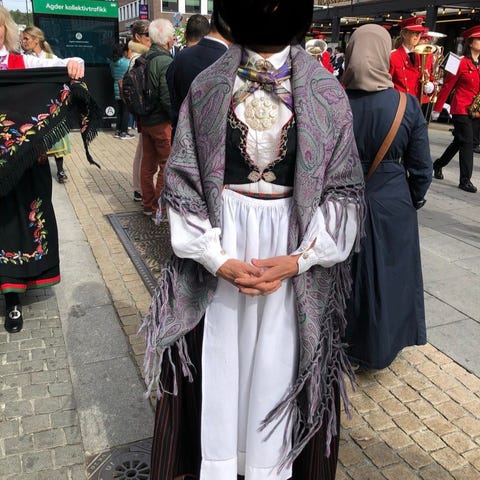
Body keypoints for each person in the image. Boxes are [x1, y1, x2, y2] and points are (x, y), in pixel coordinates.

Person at [141, 1, 365, 479]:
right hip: (221, 246)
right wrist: (216, 258)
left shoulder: (327, 92)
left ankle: (269, 465)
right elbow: (182, 182)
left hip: (294, 247)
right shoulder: (207, 87)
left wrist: (300, 260)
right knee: (219, 362)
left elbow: (343, 189)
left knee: (280, 364)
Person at [342, 24, 432, 371]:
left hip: (343, 200)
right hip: (393, 201)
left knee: (346, 276)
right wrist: (412, 199)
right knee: (391, 277)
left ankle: (345, 344)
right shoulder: (406, 105)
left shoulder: (334, 102)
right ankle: (382, 348)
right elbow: (421, 168)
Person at [0, 6, 88, 333]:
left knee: (18, 226)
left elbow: (61, 65)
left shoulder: (23, 63)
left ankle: (12, 296)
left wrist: (74, 63)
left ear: (5, 29)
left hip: (22, 166)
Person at [431, 25, 480, 193]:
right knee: (467, 142)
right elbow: (447, 86)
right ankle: (465, 180)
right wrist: (437, 108)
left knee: (460, 141)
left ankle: (438, 165)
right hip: (460, 108)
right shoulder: (458, 61)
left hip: (476, 110)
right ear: (470, 42)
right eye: (478, 39)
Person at [21, 26, 72, 184]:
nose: (23, 42)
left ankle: (60, 170)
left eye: (26, 39)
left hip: (50, 103)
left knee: (56, 137)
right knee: (35, 140)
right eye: (22, 39)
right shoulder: (23, 59)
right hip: (32, 103)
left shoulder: (51, 58)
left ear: (36, 40)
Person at [166, 15, 229, 139]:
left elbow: (171, 96)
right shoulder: (229, 59)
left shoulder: (179, 58)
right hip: (218, 140)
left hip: (183, 136)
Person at [139, 18, 174, 217]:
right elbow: (167, 96)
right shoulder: (165, 61)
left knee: (148, 165)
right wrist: (174, 118)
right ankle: (159, 207)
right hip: (161, 121)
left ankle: (147, 204)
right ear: (168, 40)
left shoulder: (142, 58)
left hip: (145, 119)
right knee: (166, 165)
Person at [128, 20, 152, 203]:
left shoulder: (139, 56)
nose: (151, 39)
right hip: (145, 110)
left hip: (142, 110)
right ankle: (140, 189)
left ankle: (138, 188)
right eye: (147, 35)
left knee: (142, 149)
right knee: (145, 151)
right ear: (138, 36)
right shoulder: (138, 58)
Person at [389, 16, 435, 106]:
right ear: (404, 34)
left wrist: (430, 87)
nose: (417, 36)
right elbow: (386, 85)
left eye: (419, 33)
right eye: (414, 32)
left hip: (416, 106)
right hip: (399, 106)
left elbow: (429, 79)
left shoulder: (422, 55)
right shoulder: (393, 56)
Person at [110, 43, 133, 140]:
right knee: (126, 111)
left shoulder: (112, 63)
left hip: (116, 87)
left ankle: (118, 131)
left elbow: (113, 75)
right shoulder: (127, 62)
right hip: (124, 88)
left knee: (120, 110)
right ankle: (124, 132)